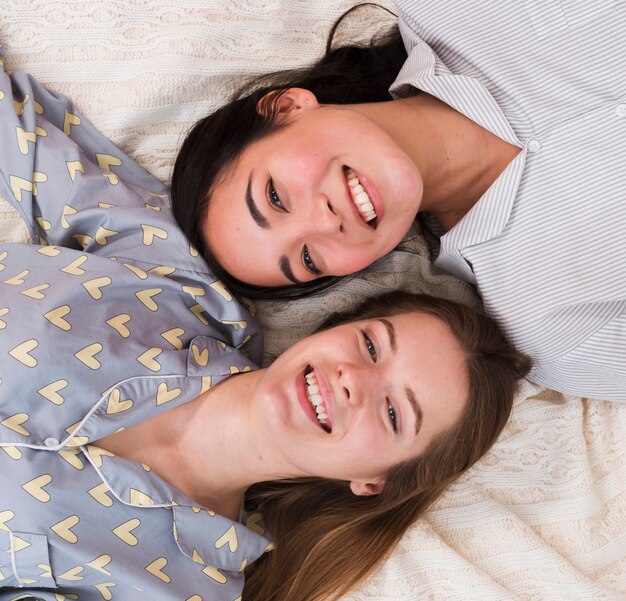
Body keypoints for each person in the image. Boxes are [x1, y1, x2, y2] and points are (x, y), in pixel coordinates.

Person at [170, 1, 626, 402]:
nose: (323, 222)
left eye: (274, 196)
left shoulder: (454, 10)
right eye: (308, 258)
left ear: (287, 106)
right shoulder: (556, 329)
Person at [0, 284, 530, 601]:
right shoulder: (175, 288)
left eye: (394, 414)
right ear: (333, 326)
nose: (353, 381)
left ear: (375, 481)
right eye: (371, 346)